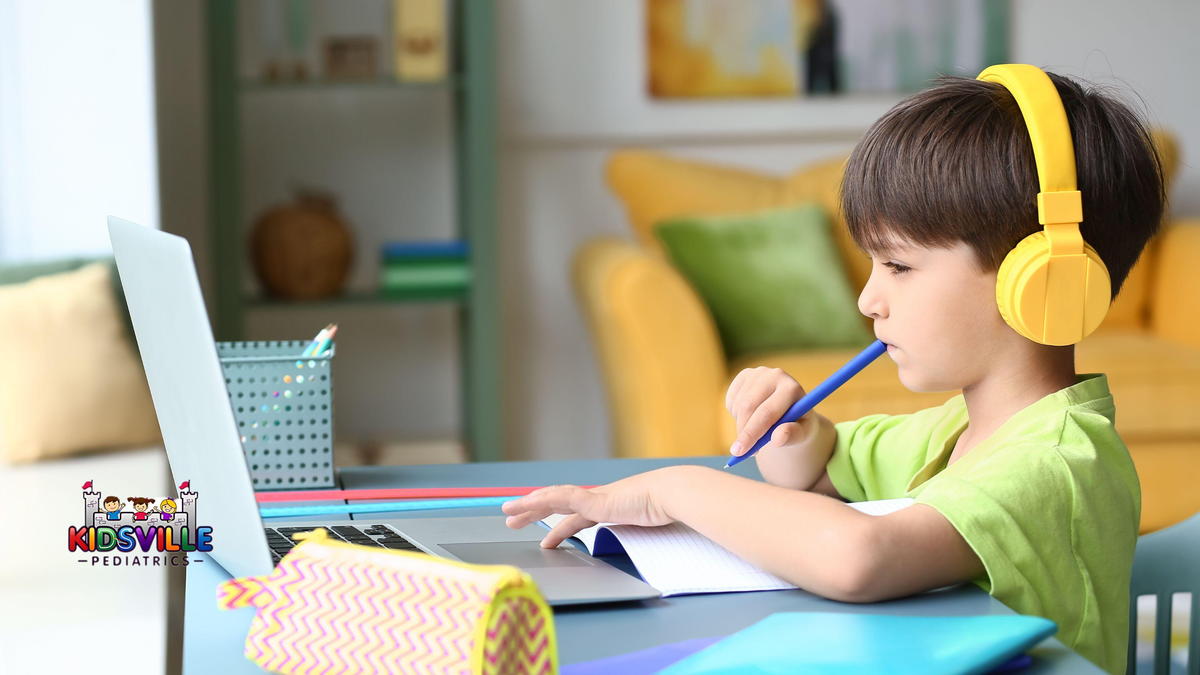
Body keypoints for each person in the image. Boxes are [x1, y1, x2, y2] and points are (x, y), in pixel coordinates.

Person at [502, 65, 1164, 674]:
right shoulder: (957, 428)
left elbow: (858, 557)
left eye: (898, 266)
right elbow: (822, 474)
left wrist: (675, 489)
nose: (868, 299)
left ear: (1042, 281)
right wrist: (795, 430)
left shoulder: (1059, 462)